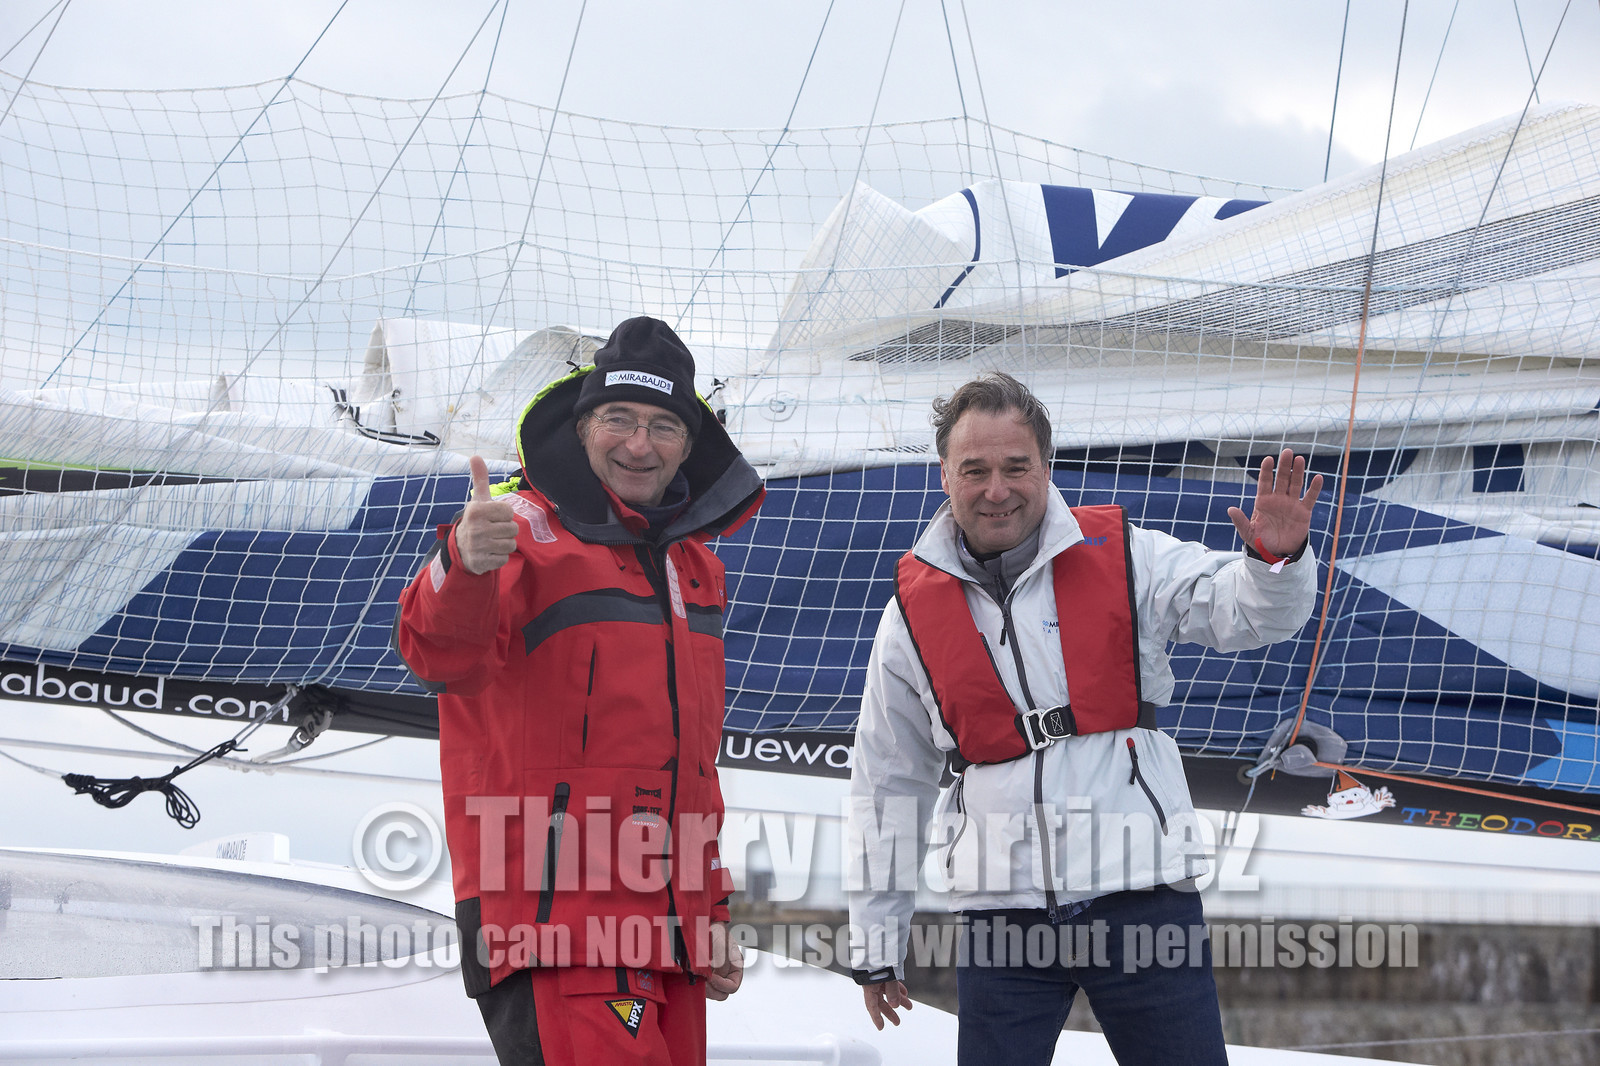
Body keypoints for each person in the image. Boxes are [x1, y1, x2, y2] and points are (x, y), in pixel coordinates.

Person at [847, 372, 1321, 1065]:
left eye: (1016, 467)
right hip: (1000, 917)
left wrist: (1274, 561)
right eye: (974, 470)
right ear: (945, 475)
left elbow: (1247, 612)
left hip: (1142, 900)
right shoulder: (908, 616)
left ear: (1047, 467)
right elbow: (887, 780)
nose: (997, 489)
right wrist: (876, 946)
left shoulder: (1126, 555)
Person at [396, 316, 765, 1066]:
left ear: (689, 445)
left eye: (664, 425)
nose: (640, 443)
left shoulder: (696, 569)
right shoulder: (515, 533)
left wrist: (710, 911)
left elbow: (692, 772)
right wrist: (463, 564)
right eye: (619, 419)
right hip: (553, 923)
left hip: (668, 936)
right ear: (582, 426)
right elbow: (437, 657)